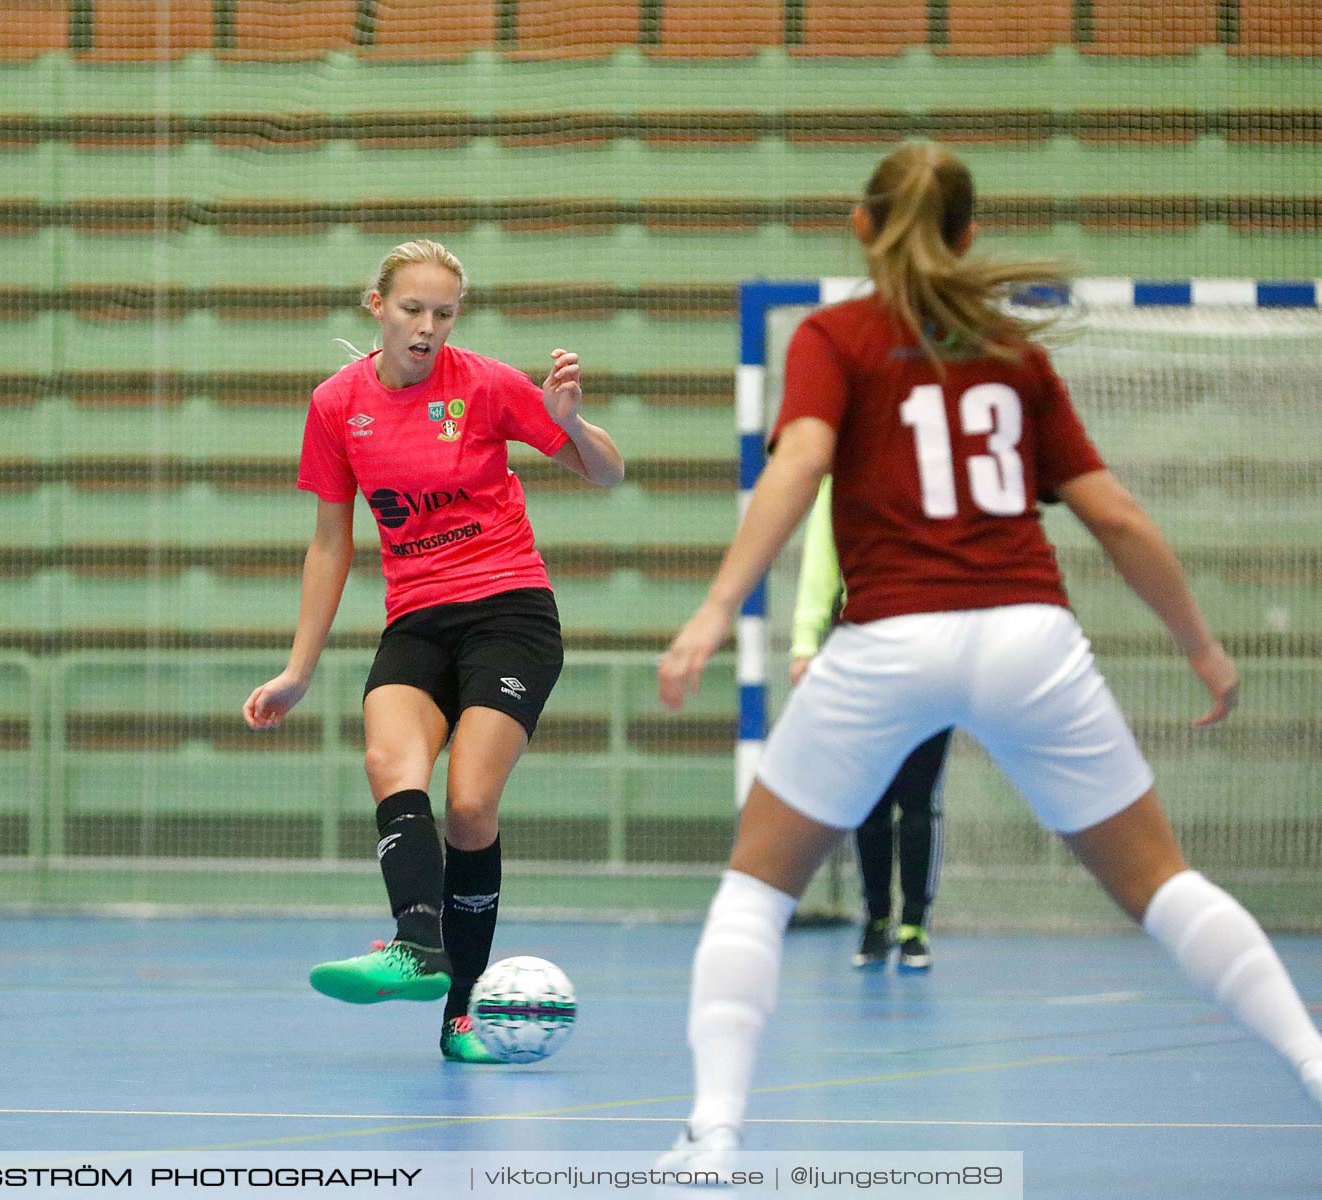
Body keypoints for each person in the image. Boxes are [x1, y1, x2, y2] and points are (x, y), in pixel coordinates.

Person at [654, 142, 1322, 1168]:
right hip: (1031, 638)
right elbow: (1118, 515)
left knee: (756, 890)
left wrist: (713, 609)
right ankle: (1316, 1066)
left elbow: (798, 464)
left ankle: (713, 1139)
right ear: (968, 234)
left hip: (891, 637)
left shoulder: (837, 337)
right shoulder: (1016, 352)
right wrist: (1202, 645)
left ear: (860, 224)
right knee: (1162, 883)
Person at [242, 239, 624, 1063]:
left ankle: (462, 1015)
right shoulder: (337, 405)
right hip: (417, 618)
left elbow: (608, 474)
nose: (427, 327)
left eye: (443, 313)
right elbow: (329, 545)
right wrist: (298, 669)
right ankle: (416, 942)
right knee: (389, 760)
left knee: (469, 807)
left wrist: (570, 425)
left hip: (509, 612)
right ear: (375, 305)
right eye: (412, 309)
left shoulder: (486, 384)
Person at [790, 476, 947, 971]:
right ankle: (876, 919)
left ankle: (914, 925)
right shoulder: (843, 482)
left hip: (933, 659)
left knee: (919, 800)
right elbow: (821, 563)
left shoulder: (942, 483)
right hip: (861, 657)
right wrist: (804, 642)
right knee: (871, 801)